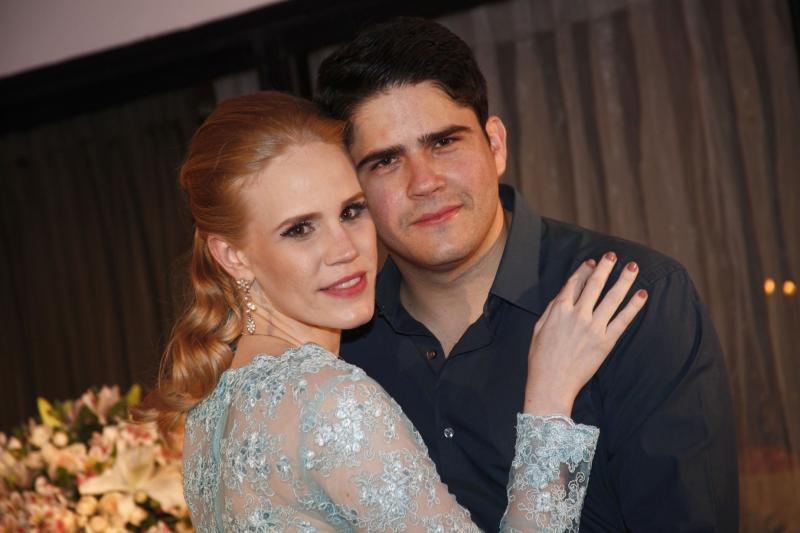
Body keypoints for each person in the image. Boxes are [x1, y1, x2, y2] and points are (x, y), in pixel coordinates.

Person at [134, 91, 647, 532]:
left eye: (351, 211)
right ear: (233, 256)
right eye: (300, 229)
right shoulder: (333, 400)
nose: (346, 249)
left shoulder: (208, 414)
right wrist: (550, 400)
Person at [315, 17, 738, 533]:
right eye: (385, 161)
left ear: (495, 145)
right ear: (352, 188)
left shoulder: (633, 299)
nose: (424, 182)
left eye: (444, 142)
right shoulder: (342, 352)